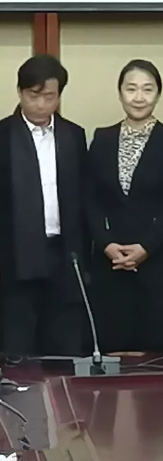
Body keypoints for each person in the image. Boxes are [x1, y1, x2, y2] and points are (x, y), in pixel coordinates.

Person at [85, 60, 163, 353]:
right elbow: (89, 199)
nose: (139, 97)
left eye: (147, 89)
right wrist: (106, 244)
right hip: (110, 261)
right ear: (120, 93)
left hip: (158, 259)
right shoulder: (102, 138)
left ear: (158, 94)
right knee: (113, 350)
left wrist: (146, 247)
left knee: (156, 356)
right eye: (131, 89)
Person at [0, 55, 88, 355]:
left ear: (59, 95)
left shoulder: (74, 135)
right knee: (18, 347)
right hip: (16, 259)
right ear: (20, 92)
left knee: (65, 347)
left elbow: (83, 198)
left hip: (64, 255)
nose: (40, 104)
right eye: (33, 96)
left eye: (49, 97)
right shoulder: (3, 135)